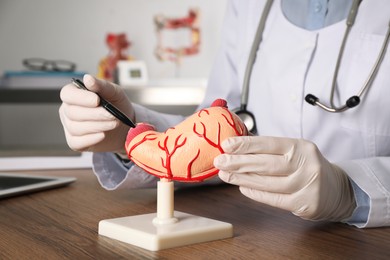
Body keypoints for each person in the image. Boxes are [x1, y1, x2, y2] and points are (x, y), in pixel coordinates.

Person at [59, 0, 390, 228]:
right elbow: (214, 133)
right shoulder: (249, 6)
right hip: (255, 232)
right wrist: (129, 129)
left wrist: (351, 190)